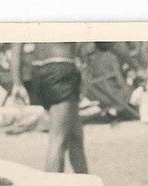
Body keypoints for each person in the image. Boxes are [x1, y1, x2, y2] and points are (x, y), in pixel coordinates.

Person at [8, 42, 89, 174]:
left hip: (39, 71)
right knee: (58, 141)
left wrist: (17, 82)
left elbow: (16, 44)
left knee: (75, 136)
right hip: (62, 68)